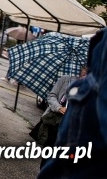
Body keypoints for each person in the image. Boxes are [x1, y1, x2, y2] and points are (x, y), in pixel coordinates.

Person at [38, 29, 105, 179]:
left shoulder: (89, 88)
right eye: (83, 71)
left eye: (87, 71)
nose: (85, 73)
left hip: (71, 126)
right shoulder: (66, 80)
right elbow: (51, 96)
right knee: (49, 152)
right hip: (56, 121)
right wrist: (59, 107)